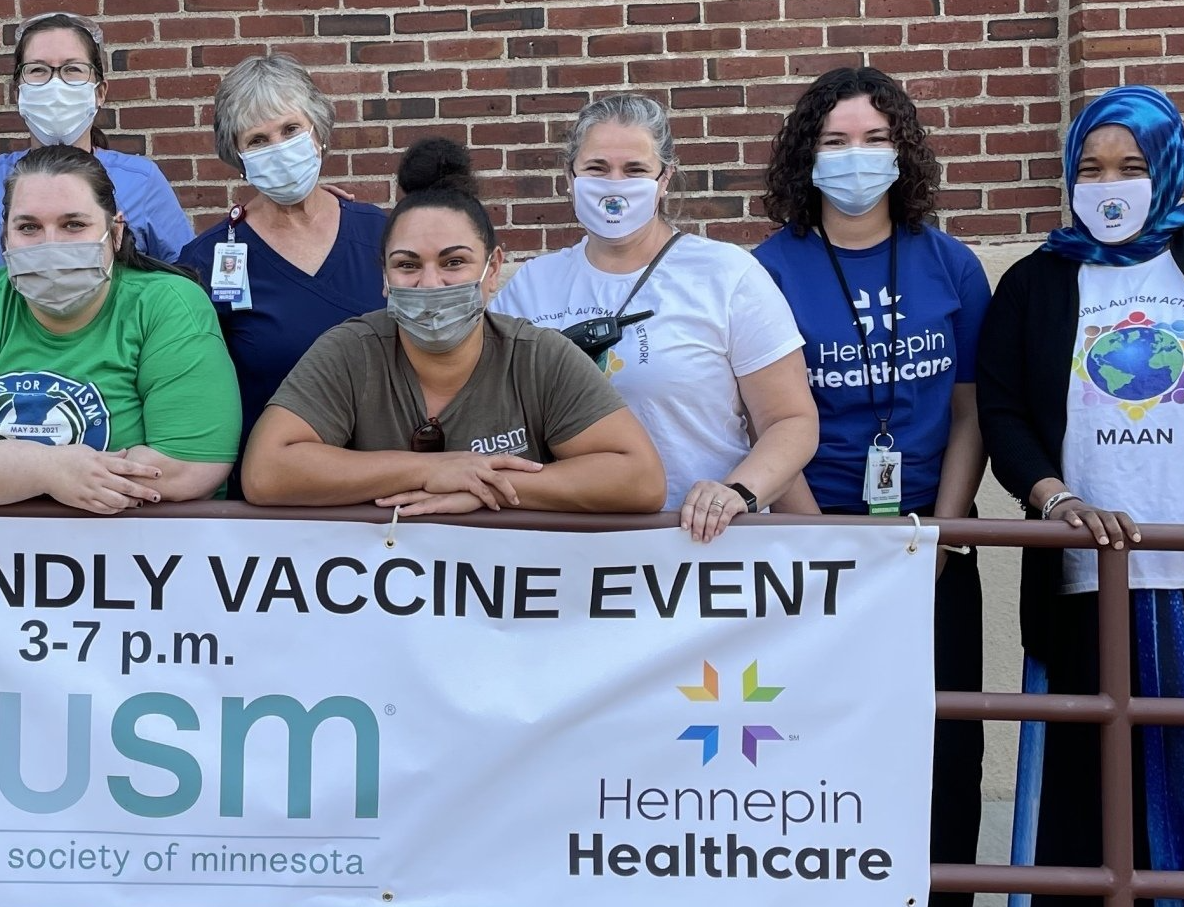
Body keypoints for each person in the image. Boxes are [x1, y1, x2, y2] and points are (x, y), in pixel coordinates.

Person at [753, 67, 991, 905]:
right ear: (805, 154)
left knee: (947, 747)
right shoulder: (765, 272)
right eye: (835, 140)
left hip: (930, 545)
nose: (856, 156)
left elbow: (971, 413)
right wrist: (822, 540)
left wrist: (944, 535)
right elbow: (760, 420)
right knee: (816, 740)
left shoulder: (951, 265)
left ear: (903, 150)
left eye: (876, 138)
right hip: (811, 544)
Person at [979, 84, 1183, 906]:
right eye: (1090, 168)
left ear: (1167, 169)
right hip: (1083, 578)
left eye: (1131, 165)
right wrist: (1055, 498)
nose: (1109, 184)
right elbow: (1002, 412)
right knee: (1088, 803)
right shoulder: (1035, 283)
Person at [242, 138, 666, 514]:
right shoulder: (352, 351)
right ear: (384, 277)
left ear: (492, 269)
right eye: (408, 265)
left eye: (454, 262)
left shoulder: (538, 356)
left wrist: (484, 485)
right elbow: (266, 472)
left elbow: (640, 479)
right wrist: (429, 470)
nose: (430, 283)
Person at [493, 93, 815, 540]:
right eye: (597, 168)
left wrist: (738, 492)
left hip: (706, 545)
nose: (615, 185)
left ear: (665, 179)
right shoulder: (531, 286)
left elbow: (790, 420)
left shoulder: (727, 275)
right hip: (572, 546)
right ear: (570, 177)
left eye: (635, 170)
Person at [0, 144, 240, 514]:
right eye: (29, 227)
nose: (50, 245)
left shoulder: (167, 306)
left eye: (74, 225)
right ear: (5, 238)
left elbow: (188, 465)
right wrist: (45, 471)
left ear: (115, 232)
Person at [179, 53, 387, 500]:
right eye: (257, 139)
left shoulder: (382, 235)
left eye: (291, 130)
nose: (278, 147)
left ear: (318, 132)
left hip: (386, 489)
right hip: (271, 500)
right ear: (237, 156)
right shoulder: (207, 260)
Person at [0, 12, 191, 276]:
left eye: (72, 69)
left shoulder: (142, 179)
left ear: (100, 92)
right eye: (37, 70)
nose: (55, 85)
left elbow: (184, 275)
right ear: (18, 92)